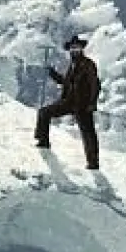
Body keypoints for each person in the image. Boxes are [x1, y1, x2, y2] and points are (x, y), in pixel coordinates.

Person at [34, 35, 101, 169]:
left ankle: (93, 163)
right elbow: (66, 83)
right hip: (69, 102)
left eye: (77, 48)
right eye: (72, 48)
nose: (74, 50)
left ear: (81, 49)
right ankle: (43, 141)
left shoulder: (88, 64)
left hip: (83, 105)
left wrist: (92, 103)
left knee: (88, 133)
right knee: (44, 112)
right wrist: (53, 74)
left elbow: (95, 85)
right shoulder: (72, 66)